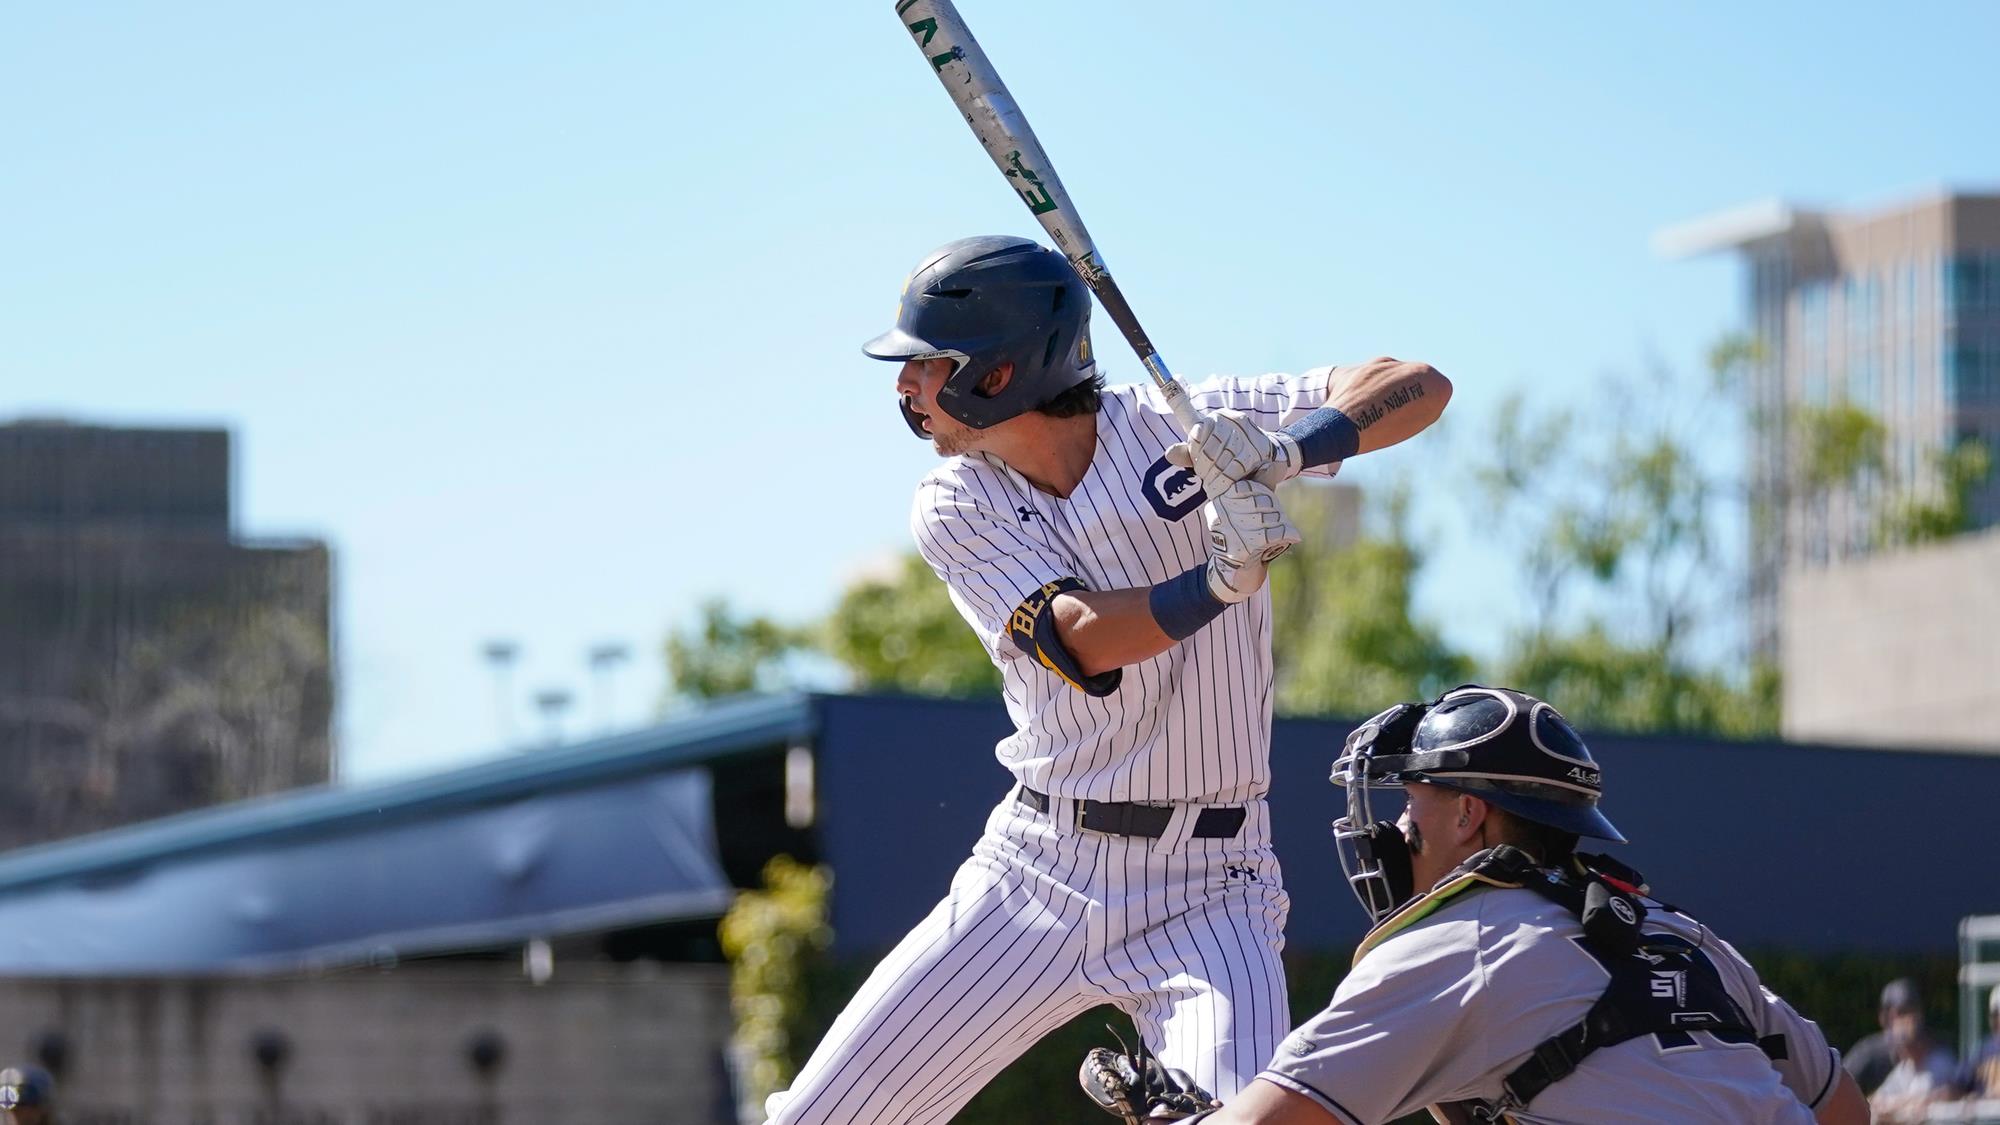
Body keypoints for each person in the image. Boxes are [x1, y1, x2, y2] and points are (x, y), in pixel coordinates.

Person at [761, 234, 1451, 1124]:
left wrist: (1283, 451)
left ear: (997, 374)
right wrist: (1219, 579)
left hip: (1215, 884)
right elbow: (1080, 639)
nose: (906, 385)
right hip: (1040, 868)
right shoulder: (957, 501)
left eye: (928, 364)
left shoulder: (1182, 421)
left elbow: (1418, 382)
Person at [1079, 684, 1872, 1124]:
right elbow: (1845, 1111)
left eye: (1410, 797)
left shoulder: (1458, 942)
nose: (1396, 825)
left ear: (1467, 814)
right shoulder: (1682, 935)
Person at [1845, 978, 1926, 1094]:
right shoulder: (1867, 1054)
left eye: (1912, 1011)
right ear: (1884, 1018)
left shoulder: (1931, 1052)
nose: (1908, 1020)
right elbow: (1839, 1091)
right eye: (1901, 1013)